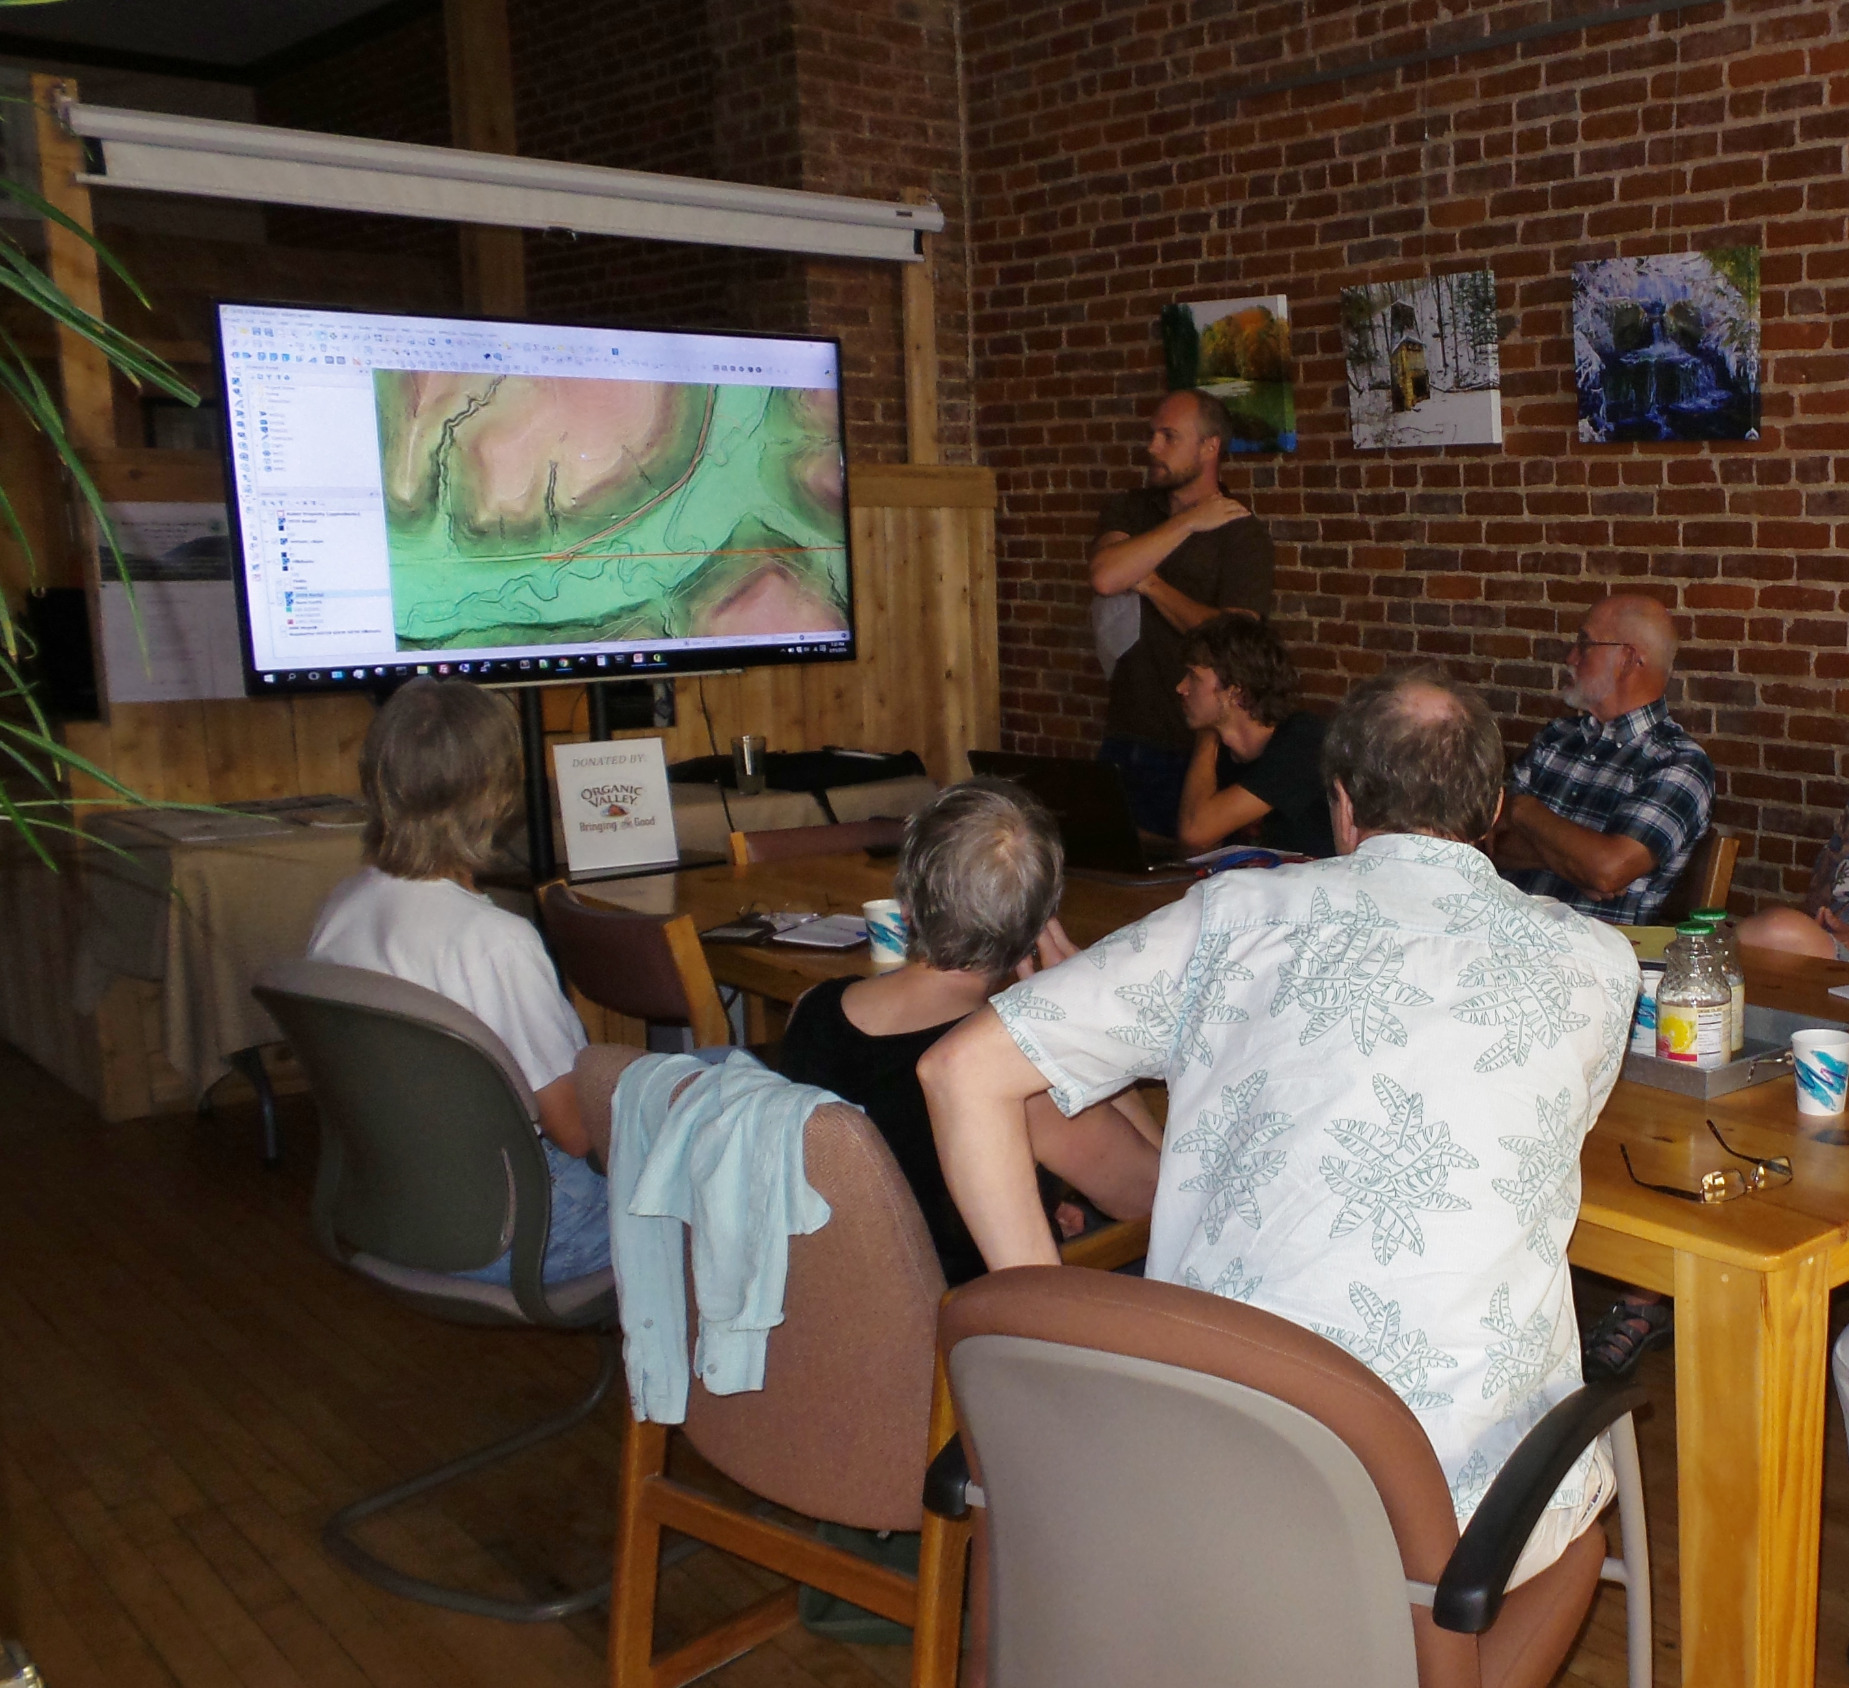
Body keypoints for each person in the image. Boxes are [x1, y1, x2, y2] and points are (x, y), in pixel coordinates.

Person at [920, 668, 1638, 1585]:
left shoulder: (1233, 916)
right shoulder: (1594, 960)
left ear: (1340, 806)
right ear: (1494, 809)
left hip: (1199, 1476)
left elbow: (958, 1070)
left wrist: (1052, 1343)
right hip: (1441, 1531)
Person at [778, 779, 1160, 1286]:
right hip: (955, 1326)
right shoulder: (1014, 1075)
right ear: (1036, 928)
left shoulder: (810, 1010)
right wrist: (1081, 1021)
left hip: (832, 1297)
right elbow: (1152, 1196)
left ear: (906, 901)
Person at [307, 677, 610, 1286]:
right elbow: (575, 1132)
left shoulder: (340, 911)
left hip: (392, 1210)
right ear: (496, 794)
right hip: (527, 1228)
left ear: (378, 779)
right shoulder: (495, 942)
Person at [1090, 388, 1276, 838]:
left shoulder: (1240, 531)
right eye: (1153, 435)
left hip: (1202, 742)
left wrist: (1150, 582)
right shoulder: (1132, 508)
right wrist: (1189, 521)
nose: (1152, 447)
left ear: (1209, 447)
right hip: (1129, 729)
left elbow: (1233, 640)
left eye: (1168, 437)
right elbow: (1106, 576)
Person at [1492, 593, 1714, 925]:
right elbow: (1487, 843)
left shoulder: (1677, 762)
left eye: (1585, 644)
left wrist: (1523, 809)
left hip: (1592, 958)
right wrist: (1577, 860)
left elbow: (1608, 871)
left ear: (1627, 659)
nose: (1570, 657)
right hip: (1499, 928)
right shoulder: (1557, 737)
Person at [1174, 613, 1335, 859]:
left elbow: (1196, 831)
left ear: (1234, 691)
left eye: (1193, 677)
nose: (1181, 688)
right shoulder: (1220, 757)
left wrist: (1206, 736)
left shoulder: (1302, 740)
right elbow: (1194, 849)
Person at [1733, 800, 1849, 958]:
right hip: (1831, 942)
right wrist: (1816, 925)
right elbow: (1821, 897)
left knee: (1777, 930)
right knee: (1760, 934)